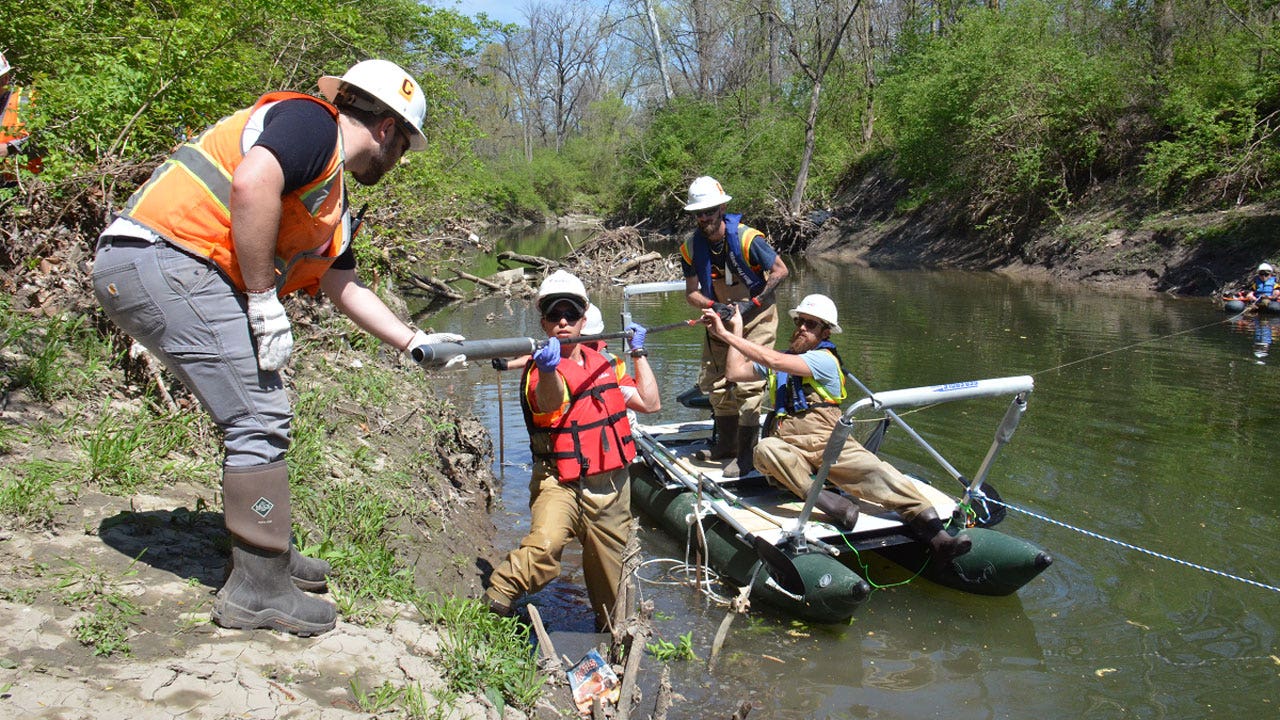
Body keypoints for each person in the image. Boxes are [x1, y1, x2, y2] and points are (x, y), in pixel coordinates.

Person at [92, 59, 463, 636]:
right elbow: (252, 181)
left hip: (166, 265)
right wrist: (264, 298)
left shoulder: (327, 188)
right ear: (386, 128)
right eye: (405, 147)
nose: (401, 162)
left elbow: (342, 283)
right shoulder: (313, 126)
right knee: (258, 416)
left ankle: (268, 558)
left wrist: (415, 340)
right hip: (163, 258)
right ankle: (258, 589)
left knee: (260, 410)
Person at [702, 294, 973, 560]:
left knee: (879, 472)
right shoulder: (783, 362)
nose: (802, 329)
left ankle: (938, 537)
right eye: (800, 322)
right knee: (765, 449)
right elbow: (735, 372)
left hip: (829, 443)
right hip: (789, 447)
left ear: (825, 333)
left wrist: (726, 336)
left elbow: (773, 360)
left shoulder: (823, 361)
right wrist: (735, 328)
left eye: (811, 324)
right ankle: (831, 504)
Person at [485, 270, 661, 629]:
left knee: (615, 592)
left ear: (584, 319)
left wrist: (639, 353)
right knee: (545, 547)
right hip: (559, 483)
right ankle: (490, 607)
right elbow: (548, 402)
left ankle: (615, 641)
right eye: (554, 314)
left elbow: (650, 402)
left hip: (610, 486)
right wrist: (549, 370)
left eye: (570, 314)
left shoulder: (607, 365)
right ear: (544, 322)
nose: (562, 321)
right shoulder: (540, 370)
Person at [679, 175, 789, 477]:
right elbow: (691, 293)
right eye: (698, 213)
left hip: (757, 317)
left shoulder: (748, 239)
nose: (704, 218)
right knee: (715, 380)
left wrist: (751, 303)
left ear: (722, 207)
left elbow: (781, 271)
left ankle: (746, 455)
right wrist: (713, 306)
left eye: (709, 212)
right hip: (720, 318)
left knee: (749, 382)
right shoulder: (690, 248)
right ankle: (725, 445)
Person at [0, 51, 42, 184]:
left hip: (28, 186)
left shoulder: (27, 100)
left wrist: (10, 148)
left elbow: (46, 140)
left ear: (5, 79)